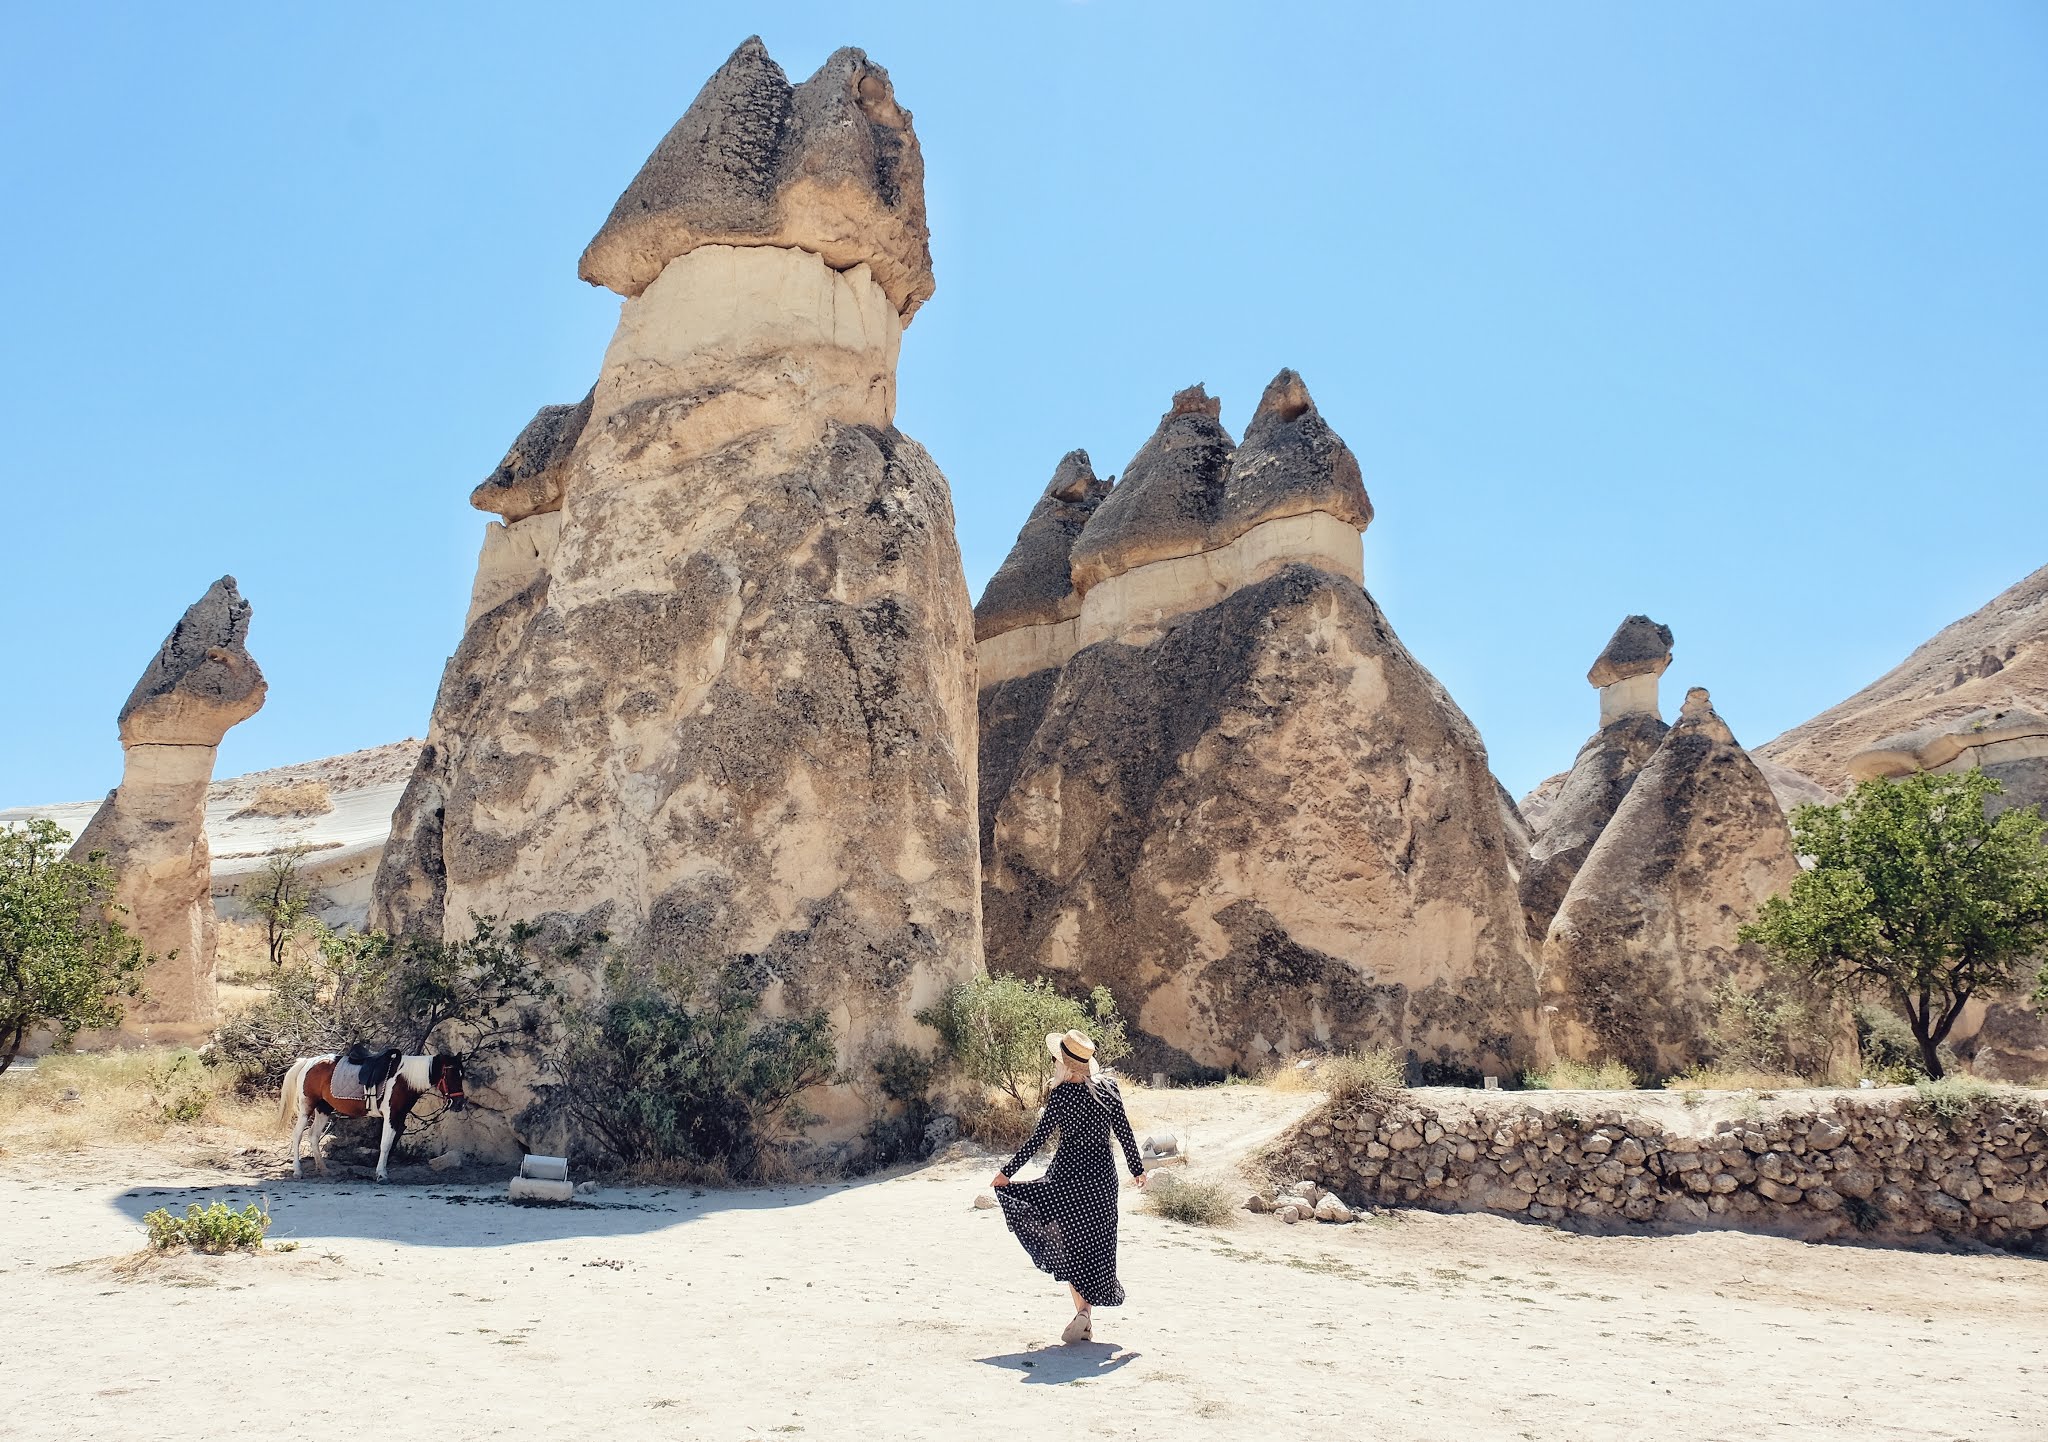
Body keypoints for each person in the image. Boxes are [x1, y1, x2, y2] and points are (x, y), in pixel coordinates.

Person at [990, 1029, 1147, 1344]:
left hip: (1067, 1181)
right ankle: (1085, 1315)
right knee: (1097, 1246)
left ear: (1063, 1063)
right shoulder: (1110, 1088)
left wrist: (1006, 1173)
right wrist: (1137, 1168)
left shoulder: (1061, 1095)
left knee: (1072, 1246)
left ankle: (1084, 1312)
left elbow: (1038, 1139)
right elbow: (1125, 1131)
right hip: (1103, 1181)